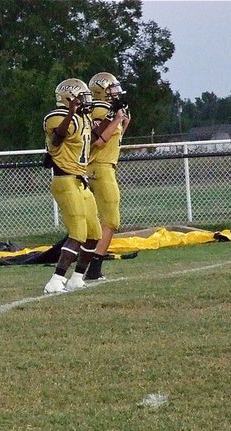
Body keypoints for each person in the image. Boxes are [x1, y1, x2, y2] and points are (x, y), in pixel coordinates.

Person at [42, 78, 102, 294]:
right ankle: (55, 280)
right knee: (78, 232)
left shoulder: (82, 118)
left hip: (80, 180)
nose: (87, 101)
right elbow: (57, 139)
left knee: (94, 233)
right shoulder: (57, 117)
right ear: (69, 99)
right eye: (82, 97)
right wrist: (71, 113)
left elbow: (95, 139)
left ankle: (76, 278)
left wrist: (112, 118)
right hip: (65, 180)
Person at [85, 72, 131, 280]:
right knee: (111, 221)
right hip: (101, 168)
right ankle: (93, 268)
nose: (115, 92)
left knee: (96, 221)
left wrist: (123, 121)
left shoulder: (105, 109)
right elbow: (99, 141)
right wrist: (117, 118)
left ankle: (86, 265)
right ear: (100, 91)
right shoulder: (100, 109)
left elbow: (114, 138)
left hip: (99, 167)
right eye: (111, 88)